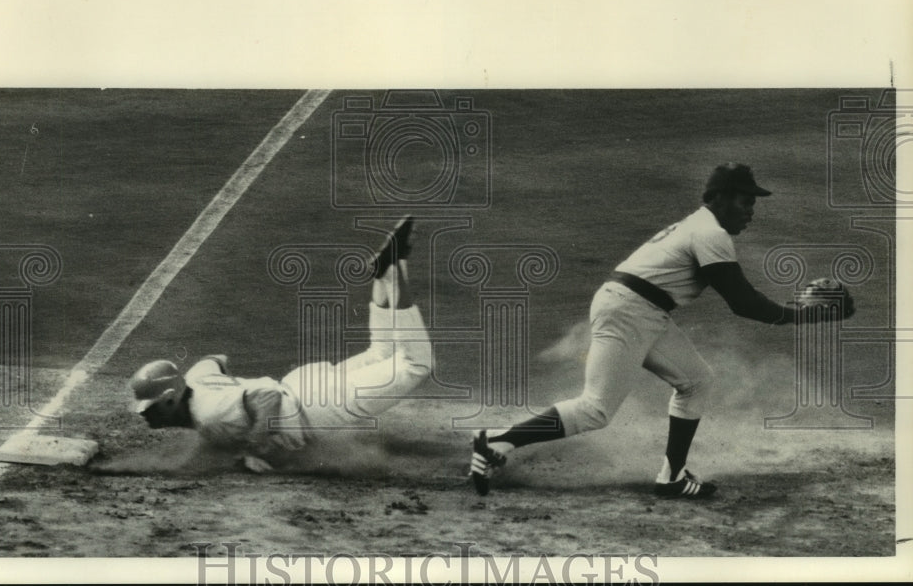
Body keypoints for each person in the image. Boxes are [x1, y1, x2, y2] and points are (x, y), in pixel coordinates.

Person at [469, 163, 855, 498]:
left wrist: (802, 315)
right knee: (596, 409)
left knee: (697, 380)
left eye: (753, 202)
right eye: (745, 201)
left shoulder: (703, 227)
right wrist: (809, 316)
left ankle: (671, 477)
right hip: (629, 310)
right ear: (718, 198)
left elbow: (741, 299)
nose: (751, 211)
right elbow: (743, 303)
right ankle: (498, 441)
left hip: (641, 310)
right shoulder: (710, 233)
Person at [129, 216, 428, 471]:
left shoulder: (209, 416)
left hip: (317, 407)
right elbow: (216, 358)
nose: (147, 416)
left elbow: (266, 397)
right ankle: (383, 275)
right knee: (381, 354)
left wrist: (254, 449)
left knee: (416, 365)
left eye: (152, 408)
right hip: (306, 388)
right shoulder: (196, 376)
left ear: (170, 398)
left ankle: (394, 270)